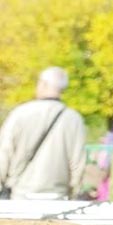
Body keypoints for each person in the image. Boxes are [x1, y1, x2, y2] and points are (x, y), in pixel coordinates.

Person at [0, 67, 86, 200]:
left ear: (43, 84)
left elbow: (4, 153)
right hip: (58, 197)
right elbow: (78, 163)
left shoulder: (20, 114)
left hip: (20, 195)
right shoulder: (74, 119)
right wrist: (74, 191)